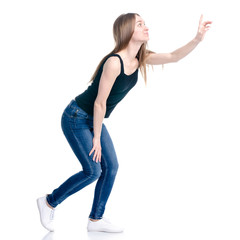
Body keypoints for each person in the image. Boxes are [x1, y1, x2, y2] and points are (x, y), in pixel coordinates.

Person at [37, 13, 212, 233]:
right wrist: (97, 140)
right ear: (128, 31)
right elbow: (100, 104)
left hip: (92, 119)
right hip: (76, 117)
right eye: (140, 24)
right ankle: (49, 202)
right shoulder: (114, 62)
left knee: (111, 167)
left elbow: (173, 56)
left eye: (144, 23)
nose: (146, 26)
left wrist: (197, 38)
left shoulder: (140, 59)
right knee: (93, 170)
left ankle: (95, 220)